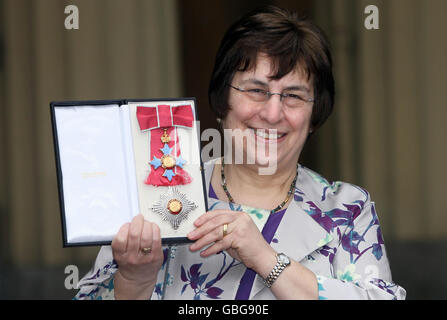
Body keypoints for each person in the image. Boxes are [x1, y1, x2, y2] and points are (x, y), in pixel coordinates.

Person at [75, 5, 406, 300]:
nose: (273, 114)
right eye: (256, 90)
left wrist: (266, 259)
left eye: (293, 95)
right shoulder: (158, 193)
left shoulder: (346, 210)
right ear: (223, 100)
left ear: (313, 116)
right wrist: (134, 283)